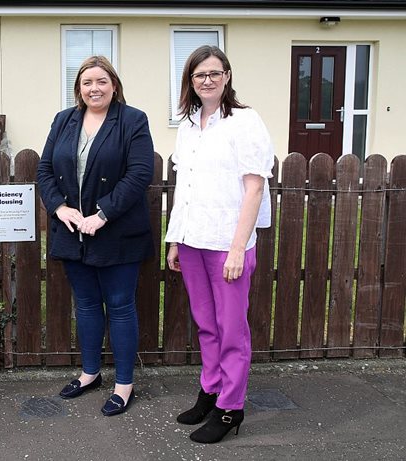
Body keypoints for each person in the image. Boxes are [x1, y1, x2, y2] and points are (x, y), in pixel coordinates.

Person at [165, 45, 274, 444]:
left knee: (231, 329)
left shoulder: (245, 122)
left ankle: (231, 408)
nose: (207, 80)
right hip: (193, 240)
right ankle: (210, 391)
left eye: (214, 73)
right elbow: (184, 187)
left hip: (228, 243)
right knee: (206, 325)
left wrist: (237, 247)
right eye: (199, 75)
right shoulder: (190, 124)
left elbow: (254, 187)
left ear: (227, 76)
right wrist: (175, 240)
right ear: (190, 82)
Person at [37, 56, 154, 416]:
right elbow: (44, 170)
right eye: (87, 82)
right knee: (85, 305)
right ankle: (90, 374)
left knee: (119, 307)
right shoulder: (64, 120)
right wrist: (59, 208)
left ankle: (123, 384)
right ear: (79, 89)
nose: (94, 88)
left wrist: (102, 214)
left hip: (117, 232)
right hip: (73, 232)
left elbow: (139, 175)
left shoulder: (133, 120)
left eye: (101, 81)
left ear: (114, 85)